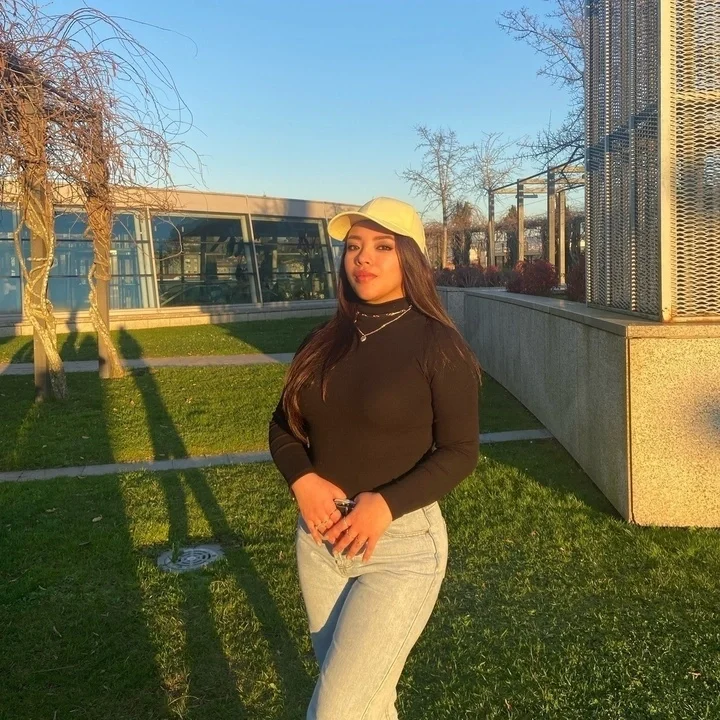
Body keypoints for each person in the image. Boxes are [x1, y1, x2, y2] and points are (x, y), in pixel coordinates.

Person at [268, 197, 480, 720]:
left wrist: (384, 505)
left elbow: (460, 451)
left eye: (383, 246)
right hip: (319, 543)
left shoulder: (440, 344)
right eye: (354, 247)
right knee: (370, 703)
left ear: (410, 258)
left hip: (400, 548)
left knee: (336, 712)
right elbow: (284, 427)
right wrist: (303, 481)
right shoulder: (321, 341)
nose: (363, 257)